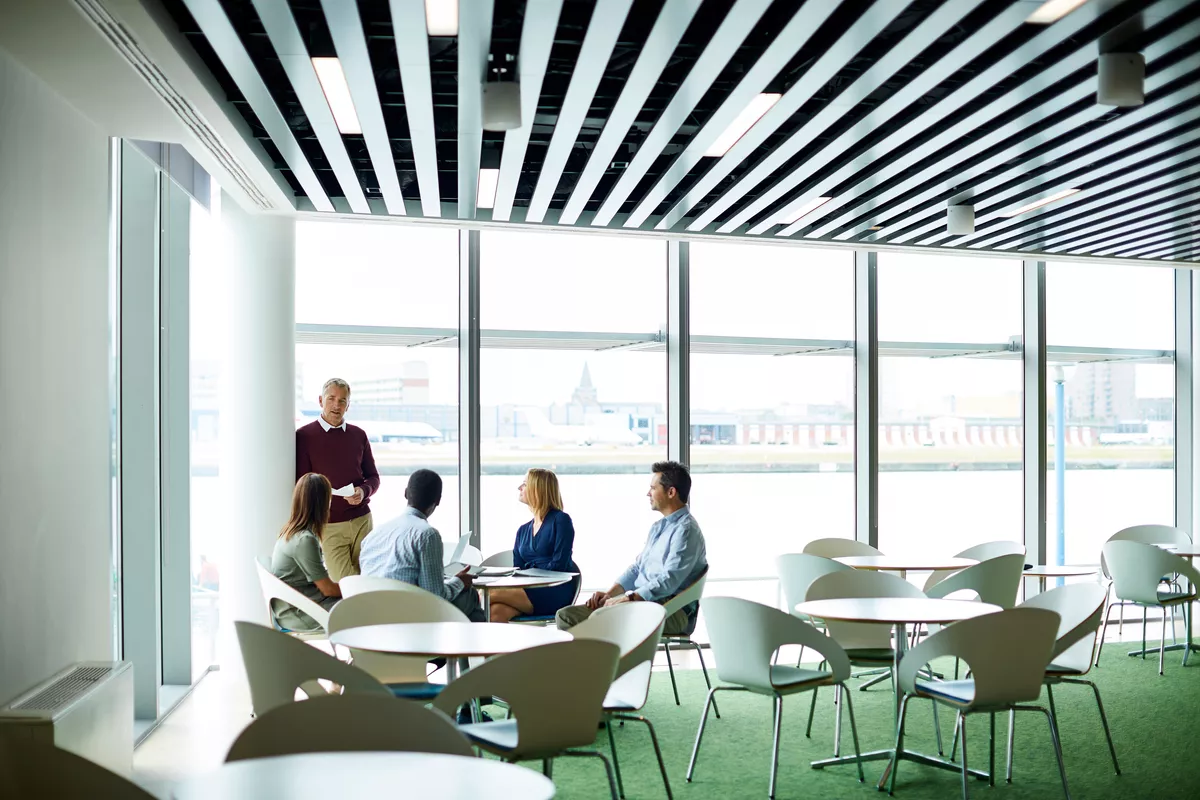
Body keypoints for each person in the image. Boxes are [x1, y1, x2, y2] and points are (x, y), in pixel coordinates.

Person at [556, 461, 706, 634]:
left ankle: (610, 660)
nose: (647, 493)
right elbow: (637, 569)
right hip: (644, 603)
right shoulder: (659, 527)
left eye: (653, 488)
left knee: (599, 618)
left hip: (671, 610)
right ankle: (598, 660)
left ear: (671, 492)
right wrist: (610, 595)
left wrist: (630, 598)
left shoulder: (686, 531)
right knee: (565, 616)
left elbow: (669, 579)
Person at [359, 469, 485, 622]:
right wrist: (459, 582)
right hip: (408, 617)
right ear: (438, 500)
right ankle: (477, 645)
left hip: (371, 615)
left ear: (406, 493)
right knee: (470, 595)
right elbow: (435, 597)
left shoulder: (375, 533)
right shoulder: (427, 534)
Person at [296, 378, 380, 582]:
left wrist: (363, 491)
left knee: (367, 581)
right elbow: (302, 484)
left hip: (363, 521)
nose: (336, 405)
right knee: (345, 584)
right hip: (329, 525)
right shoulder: (304, 437)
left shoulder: (358, 435)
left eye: (342, 401)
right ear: (320, 401)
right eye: (331, 398)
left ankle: (366, 615)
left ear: (348, 405)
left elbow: (373, 477)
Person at [488, 469, 578, 623]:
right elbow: (518, 569)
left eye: (524, 484)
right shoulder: (522, 530)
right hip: (530, 589)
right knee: (495, 612)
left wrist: (531, 578)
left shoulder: (561, 520)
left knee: (488, 595)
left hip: (554, 590)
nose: (519, 488)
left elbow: (559, 565)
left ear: (538, 489)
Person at [270, 473, 341, 632]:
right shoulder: (304, 540)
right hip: (300, 613)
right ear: (322, 503)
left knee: (360, 608)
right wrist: (354, 589)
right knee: (365, 611)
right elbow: (327, 589)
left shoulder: (288, 532)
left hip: (293, 608)